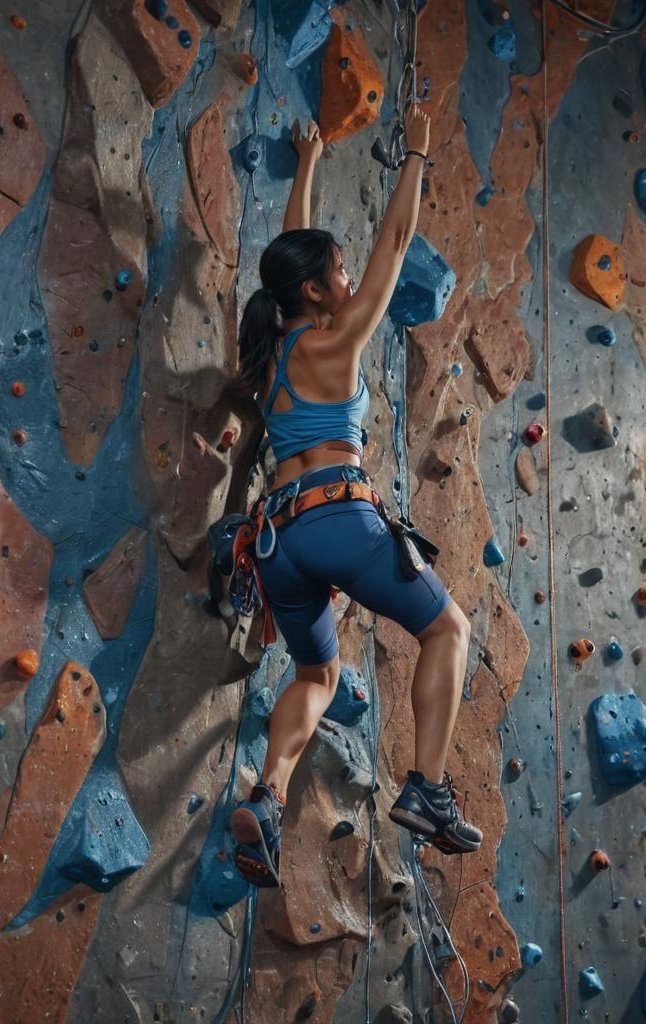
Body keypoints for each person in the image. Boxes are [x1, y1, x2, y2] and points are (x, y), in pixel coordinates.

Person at [228, 107, 480, 888]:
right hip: (340, 519)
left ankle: (267, 796)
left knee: (315, 678)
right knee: (448, 628)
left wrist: (309, 162)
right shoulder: (338, 343)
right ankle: (428, 788)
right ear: (316, 290)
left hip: (279, 541)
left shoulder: (272, 353)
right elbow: (395, 246)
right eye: (336, 272)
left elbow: (288, 257)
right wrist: (416, 151)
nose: (348, 279)